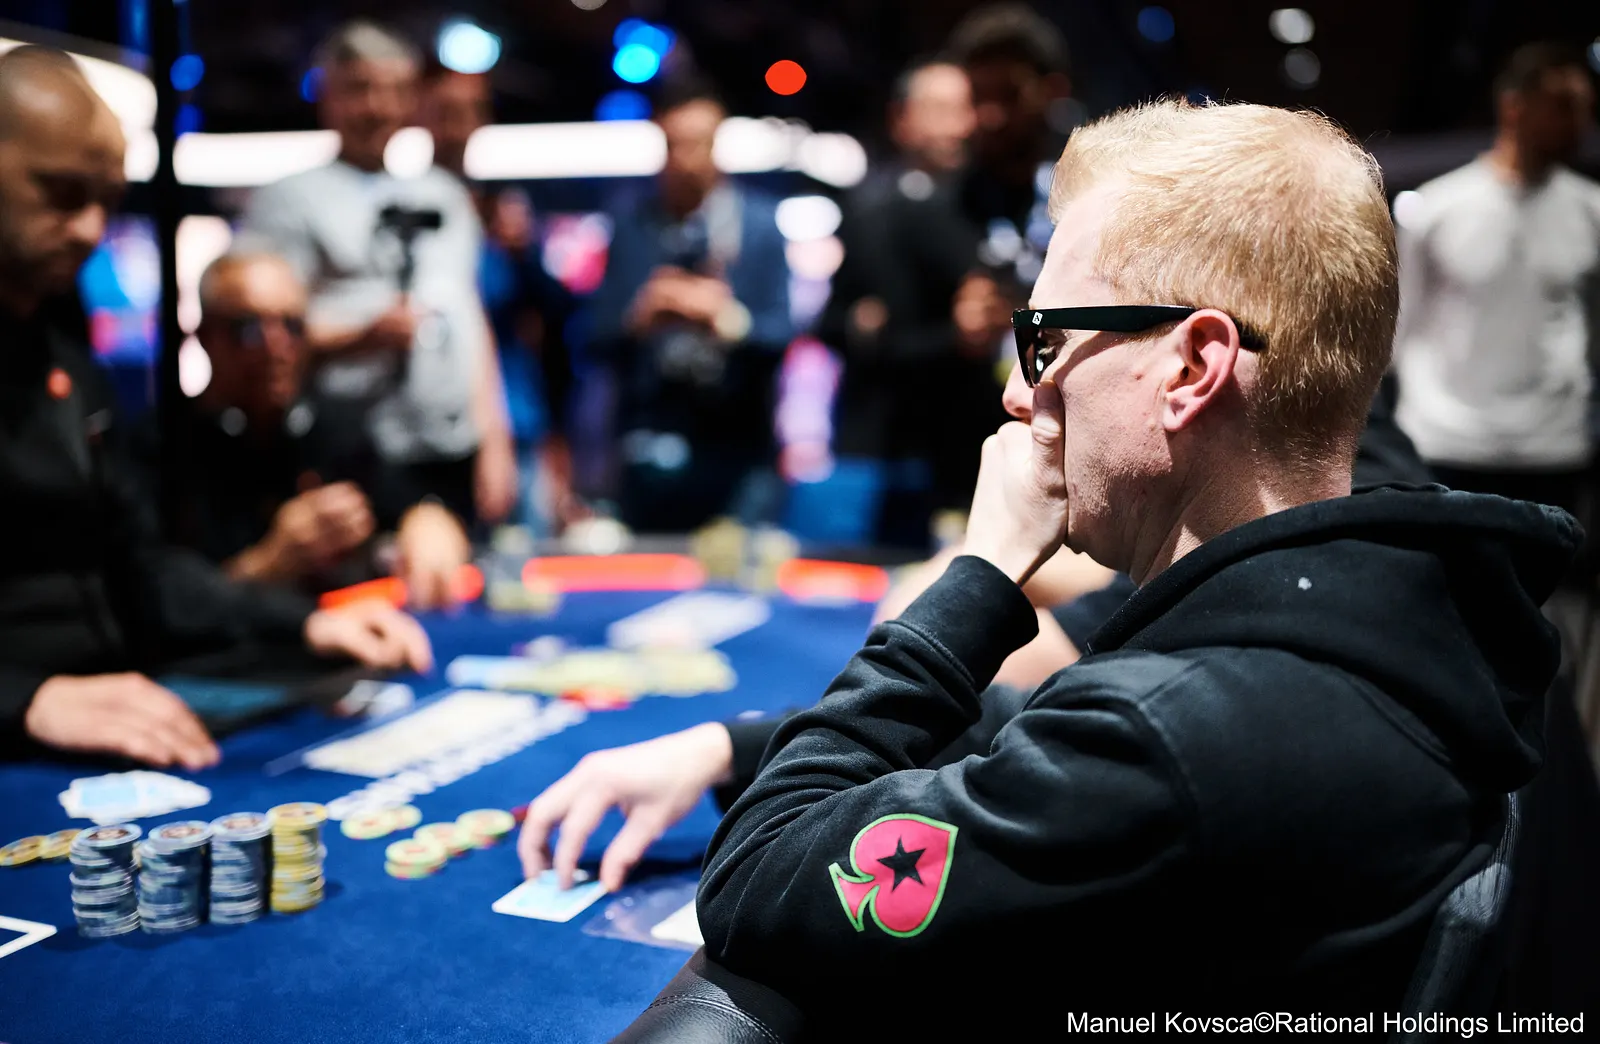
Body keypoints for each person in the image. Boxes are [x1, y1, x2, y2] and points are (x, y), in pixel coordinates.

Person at [540, 99, 1580, 1027]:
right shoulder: (1400, 598)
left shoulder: (1168, 741)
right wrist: (731, 746)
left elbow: (762, 878)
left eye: (1042, 340)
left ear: (1191, 366)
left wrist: (981, 570)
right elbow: (1031, 723)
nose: (1018, 392)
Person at [0, 46, 433, 768]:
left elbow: (140, 572)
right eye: (61, 192)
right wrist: (25, 697)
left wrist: (303, 623)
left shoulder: (68, 363)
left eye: (107, 202)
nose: (89, 230)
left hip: (122, 713)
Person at [236, 21, 517, 534]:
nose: (377, 107)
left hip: (451, 448)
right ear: (328, 97)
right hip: (354, 455)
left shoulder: (445, 196)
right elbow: (256, 334)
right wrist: (359, 337)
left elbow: (470, 322)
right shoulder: (287, 201)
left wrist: (495, 440)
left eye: (393, 91)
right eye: (359, 89)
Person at [139, 252, 472, 608]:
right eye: (248, 329)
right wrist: (269, 563)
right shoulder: (160, 446)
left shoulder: (330, 427)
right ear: (205, 336)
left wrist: (427, 522)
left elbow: (408, 502)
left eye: (292, 326)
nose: (276, 347)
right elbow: (158, 603)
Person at [1393, 43, 1600, 518]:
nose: (1579, 123)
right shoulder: (1439, 208)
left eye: (1585, 108)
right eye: (1563, 106)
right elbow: (1402, 324)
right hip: (1447, 442)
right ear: (1514, 107)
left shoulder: (1592, 212)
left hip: (1553, 446)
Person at [586, 75, 792, 532]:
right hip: (648, 444)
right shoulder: (633, 223)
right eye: (675, 144)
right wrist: (642, 315)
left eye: (698, 143)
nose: (686, 159)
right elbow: (595, 336)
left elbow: (783, 334)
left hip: (737, 448)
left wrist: (724, 317)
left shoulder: (758, 226)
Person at [816, 58, 977, 546]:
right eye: (940, 109)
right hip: (882, 446)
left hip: (967, 438)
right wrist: (858, 327)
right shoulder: (868, 211)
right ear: (901, 119)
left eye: (964, 109)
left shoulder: (987, 210)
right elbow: (828, 321)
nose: (958, 126)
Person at [417, 65, 581, 537]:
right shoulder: (410, 209)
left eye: (471, 111)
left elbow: (558, 321)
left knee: (524, 556)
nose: (458, 126)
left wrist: (525, 254)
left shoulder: (502, 207)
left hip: (517, 416)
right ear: (421, 114)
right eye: (446, 111)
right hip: (441, 425)